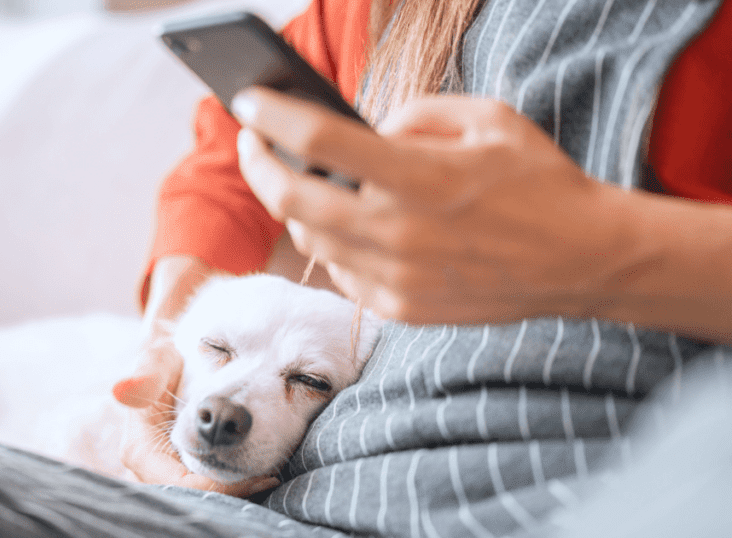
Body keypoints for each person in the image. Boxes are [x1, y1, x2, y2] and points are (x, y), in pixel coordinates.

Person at [112, 0, 732, 532]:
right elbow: (238, 132)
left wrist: (604, 252)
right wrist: (166, 349)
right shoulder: (381, 13)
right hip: (289, 504)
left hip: (607, 476)